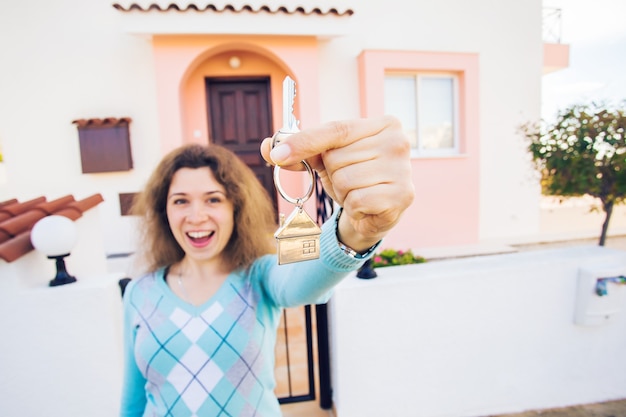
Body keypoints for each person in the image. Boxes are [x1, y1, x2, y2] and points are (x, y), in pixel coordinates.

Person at [120, 115, 415, 417]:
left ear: (235, 207)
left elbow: (302, 280)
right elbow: (132, 402)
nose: (196, 216)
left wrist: (359, 228)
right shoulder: (138, 293)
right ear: (163, 210)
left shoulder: (258, 277)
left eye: (213, 200)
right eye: (181, 201)